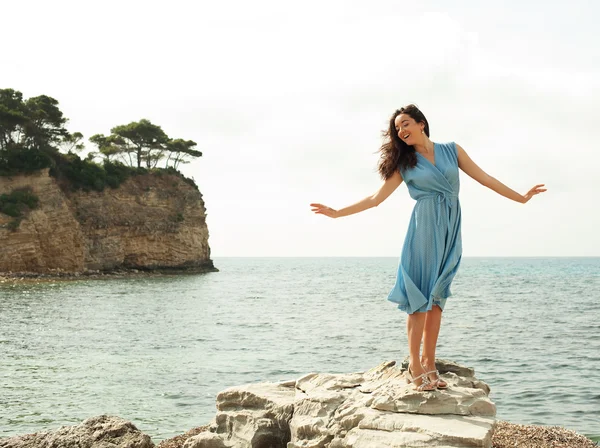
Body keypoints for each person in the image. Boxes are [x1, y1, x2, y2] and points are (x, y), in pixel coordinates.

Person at [310, 104, 546, 391]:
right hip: (423, 230)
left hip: (449, 227)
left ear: (422, 124)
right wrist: (337, 212)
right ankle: (415, 364)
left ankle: (429, 362)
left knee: (437, 299)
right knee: (419, 299)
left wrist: (521, 198)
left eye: (406, 124)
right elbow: (375, 199)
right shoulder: (404, 164)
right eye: (397, 129)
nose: (401, 131)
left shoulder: (452, 150)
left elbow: (486, 179)